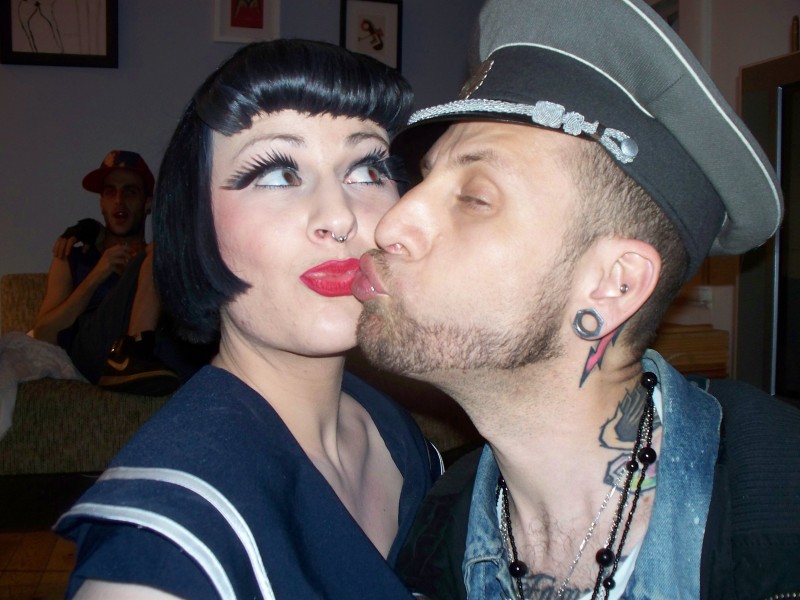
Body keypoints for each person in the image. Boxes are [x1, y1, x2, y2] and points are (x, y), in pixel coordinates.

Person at [351, 0, 800, 598]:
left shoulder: (783, 514)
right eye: (426, 178)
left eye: (475, 198)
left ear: (615, 285)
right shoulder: (431, 535)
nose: (389, 225)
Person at [54, 39, 442, 599]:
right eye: (278, 174)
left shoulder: (391, 424)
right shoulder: (163, 560)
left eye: (366, 169)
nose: (339, 216)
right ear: (195, 224)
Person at [32, 150, 189, 395]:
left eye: (130, 192)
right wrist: (97, 275)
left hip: (155, 352)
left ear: (148, 203)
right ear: (101, 203)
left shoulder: (156, 262)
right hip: (94, 354)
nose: (119, 200)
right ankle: (130, 356)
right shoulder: (73, 257)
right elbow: (43, 333)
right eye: (110, 192)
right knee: (162, 251)